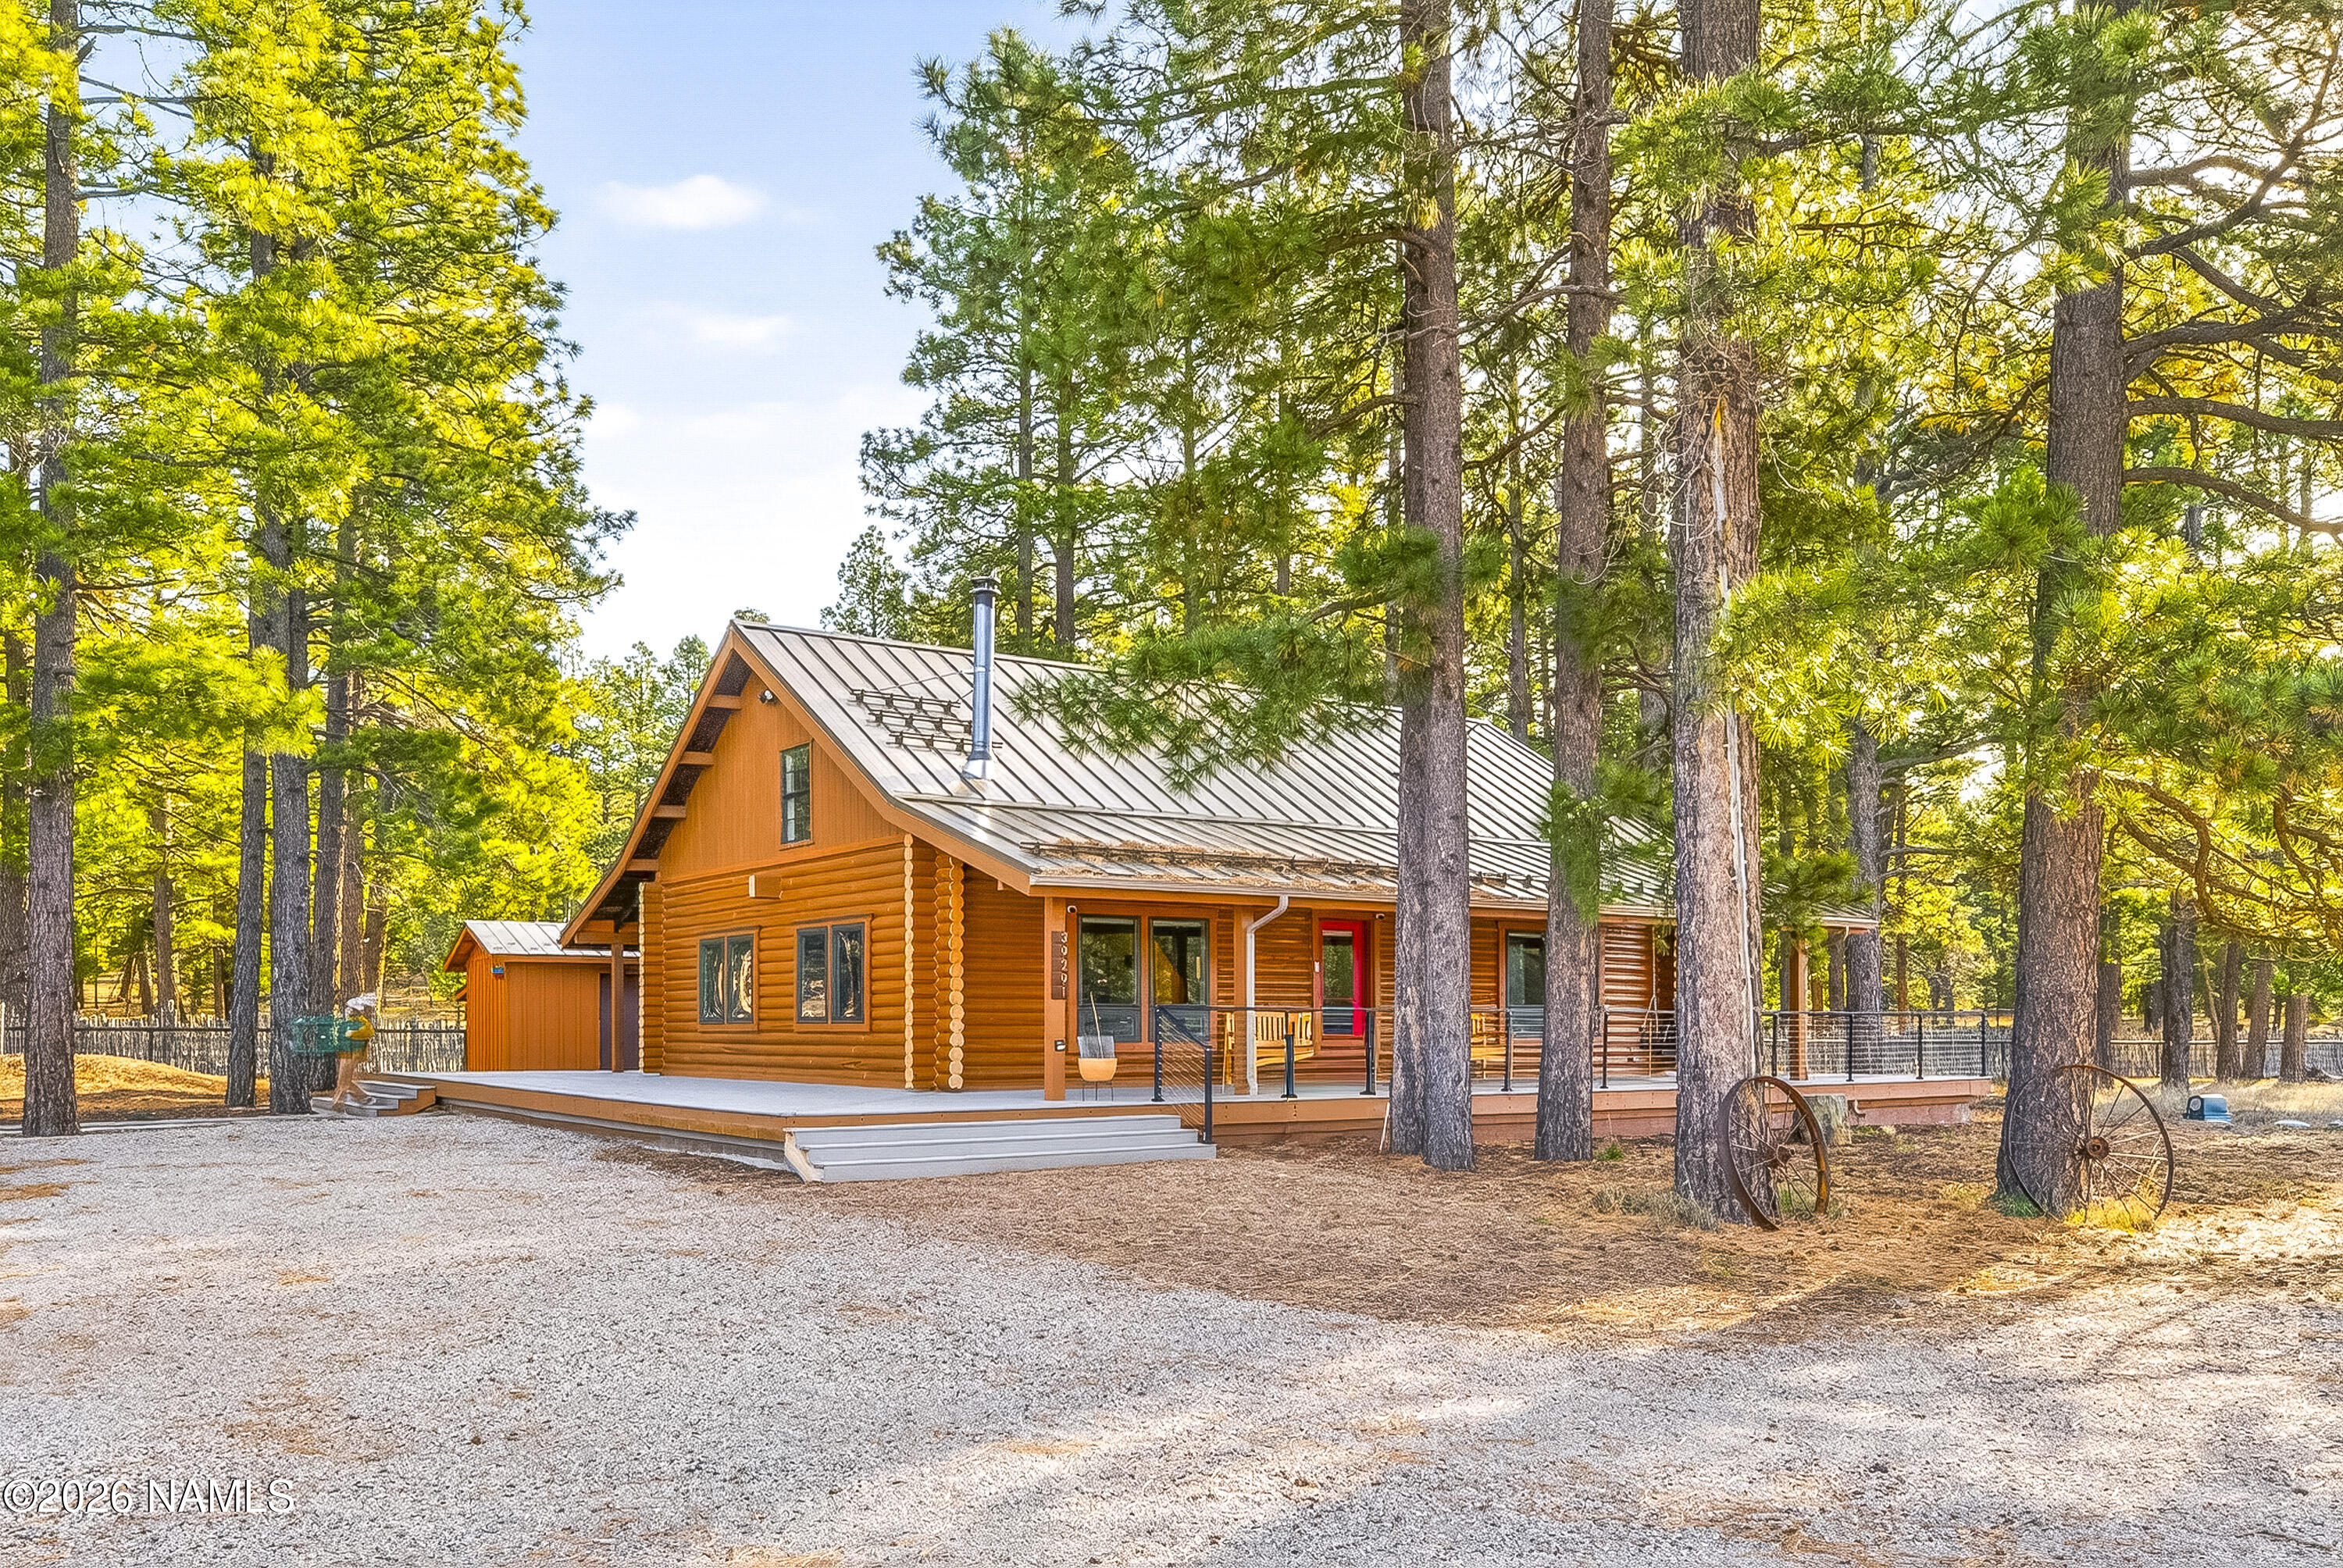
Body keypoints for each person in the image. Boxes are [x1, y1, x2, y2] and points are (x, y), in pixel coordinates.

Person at [326, 994, 380, 1114]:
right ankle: (363, 1098)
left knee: (344, 1081)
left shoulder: (362, 1022)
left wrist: (352, 1034)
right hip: (346, 1054)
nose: (347, 1009)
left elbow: (369, 1032)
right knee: (343, 1080)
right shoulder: (349, 1021)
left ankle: (338, 1103)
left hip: (353, 1054)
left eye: (349, 1007)